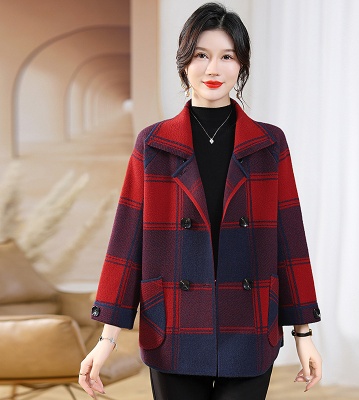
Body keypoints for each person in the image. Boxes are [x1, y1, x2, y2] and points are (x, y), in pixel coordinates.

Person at [79, 3, 322, 399]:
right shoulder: (153, 144)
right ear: (184, 63)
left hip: (250, 325)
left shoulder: (269, 144)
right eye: (201, 55)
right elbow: (127, 242)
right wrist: (107, 339)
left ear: (241, 65)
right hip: (174, 324)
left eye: (227, 56)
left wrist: (304, 334)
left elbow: (289, 241)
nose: (213, 69)